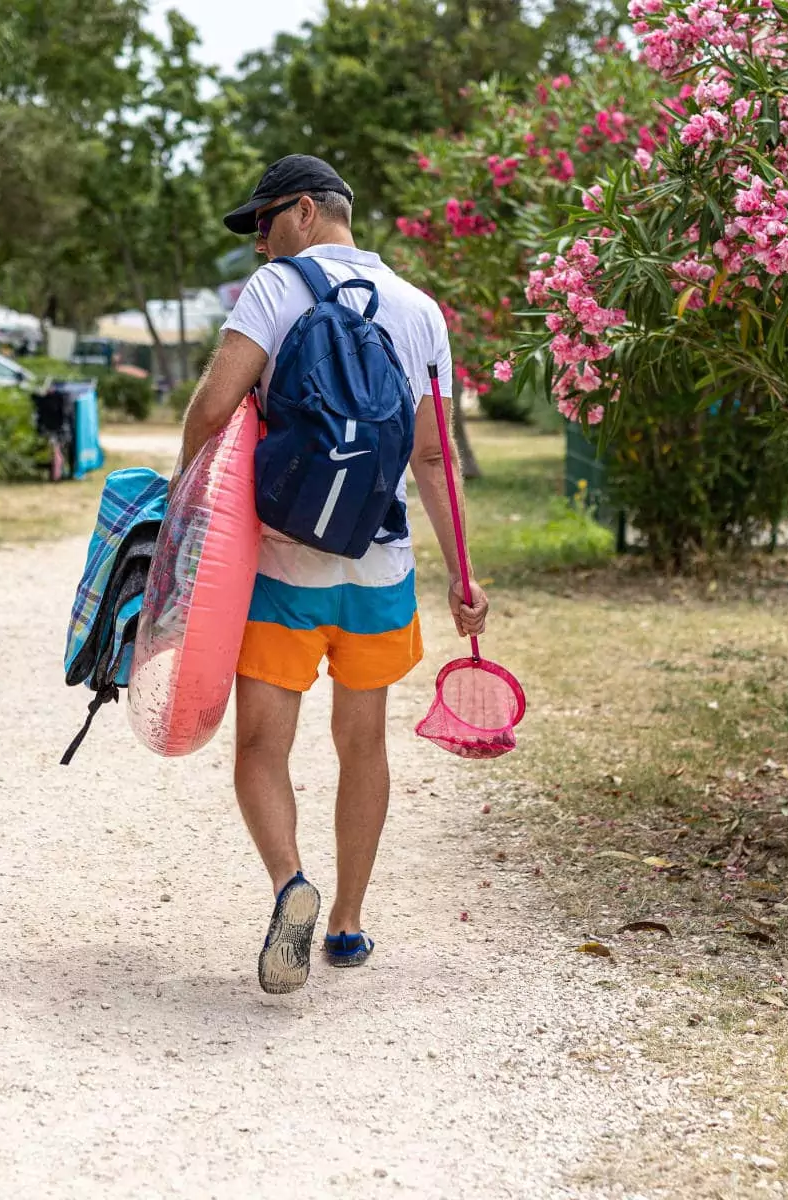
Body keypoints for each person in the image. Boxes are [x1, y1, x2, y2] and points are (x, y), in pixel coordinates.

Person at [175, 154, 490, 995]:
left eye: (264, 223)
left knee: (259, 748)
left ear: (308, 212)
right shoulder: (423, 311)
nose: (258, 245)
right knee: (363, 744)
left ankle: (292, 886)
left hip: (284, 568)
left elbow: (212, 412)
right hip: (377, 569)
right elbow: (432, 454)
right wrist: (463, 573)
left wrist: (179, 519)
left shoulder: (279, 292)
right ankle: (347, 923)